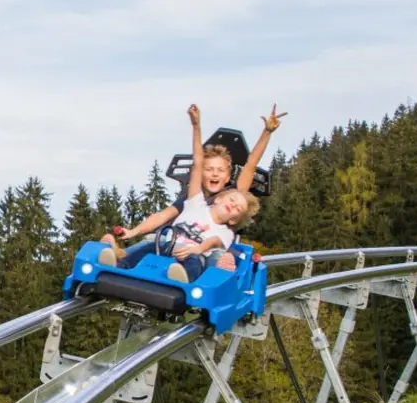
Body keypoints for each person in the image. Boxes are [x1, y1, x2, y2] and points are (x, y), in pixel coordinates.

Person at [99, 103, 285, 278]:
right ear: (201, 174)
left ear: (228, 177)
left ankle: (186, 276)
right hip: (174, 243)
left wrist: (267, 132)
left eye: (220, 171)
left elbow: (250, 165)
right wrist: (132, 232)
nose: (214, 174)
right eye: (209, 170)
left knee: (209, 257)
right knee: (152, 241)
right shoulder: (193, 200)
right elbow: (162, 216)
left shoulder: (233, 197)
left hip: (204, 252)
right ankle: (116, 258)